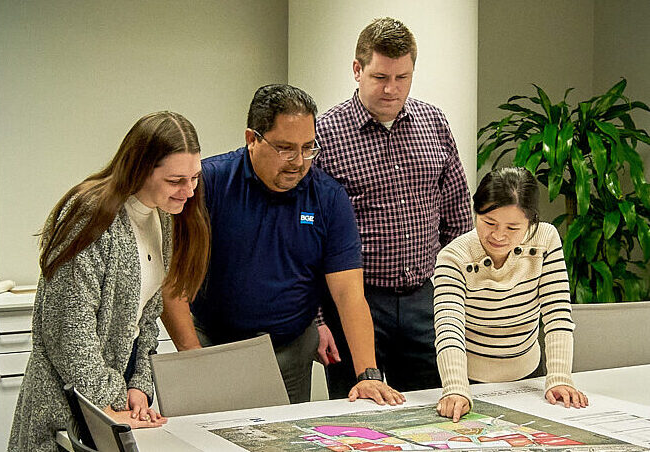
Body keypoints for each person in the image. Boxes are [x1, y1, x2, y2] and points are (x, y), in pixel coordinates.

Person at [161, 84, 404, 406]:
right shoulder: (210, 183)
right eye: (285, 148)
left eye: (308, 148)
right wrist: (194, 357)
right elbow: (172, 281)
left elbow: (349, 293)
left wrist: (367, 375)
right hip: (212, 343)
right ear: (252, 139)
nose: (298, 162)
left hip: (289, 350)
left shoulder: (328, 198)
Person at [8, 112, 211, 452]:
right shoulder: (90, 214)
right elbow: (69, 331)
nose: (189, 191)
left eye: (195, 178)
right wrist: (110, 401)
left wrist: (139, 387)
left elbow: (147, 317)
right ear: (141, 169)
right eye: (176, 180)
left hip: (111, 399)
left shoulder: (162, 217)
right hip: (66, 406)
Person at [314, 17, 472, 397]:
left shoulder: (433, 123)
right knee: (359, 414)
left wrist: (462, 295)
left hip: (425, 297)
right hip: (356, 301)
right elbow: (308, 238)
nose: (391, 89)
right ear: (357, 70)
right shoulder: (326, 135)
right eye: (380, 76)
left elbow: (458, 218)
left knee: (432, 406)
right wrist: (317, 319)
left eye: (402, 77)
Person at [433, 167, 589, 422]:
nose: (498, 235)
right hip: (469, 381)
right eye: (489, 223)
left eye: (513, 227)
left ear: (531, 222)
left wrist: (560, 378)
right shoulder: (454, 257)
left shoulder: (546, 240)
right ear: (476, 212)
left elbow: (557, 313)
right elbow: (448, 328)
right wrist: (455, 388)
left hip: (530, 376)